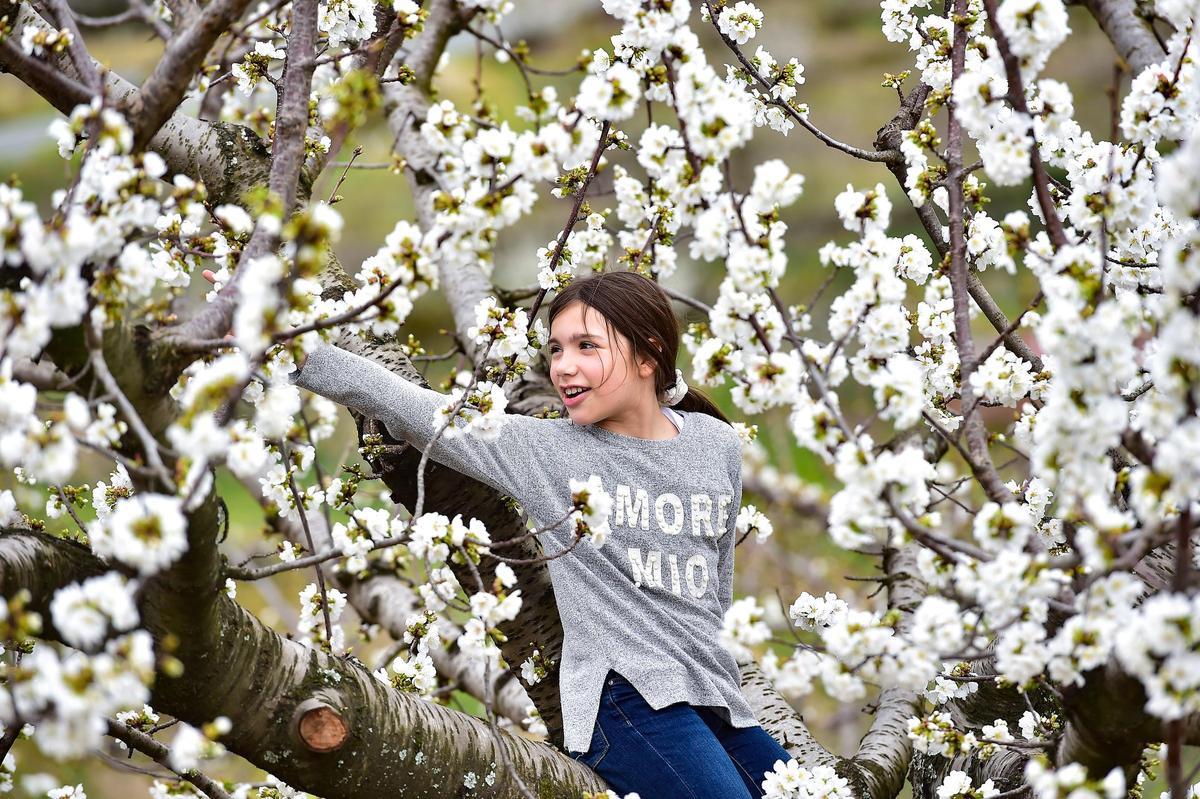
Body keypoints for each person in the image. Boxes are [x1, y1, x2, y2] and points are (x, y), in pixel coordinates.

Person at [203, 268, 792, 797]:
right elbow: (410, 405)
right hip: (627, 704)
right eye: (557, 348)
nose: (563, 367)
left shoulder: (715, 446)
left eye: (587, 347)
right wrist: (277, 339)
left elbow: (714, 591)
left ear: (648, 354)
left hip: (717, 704)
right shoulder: (553, 452)